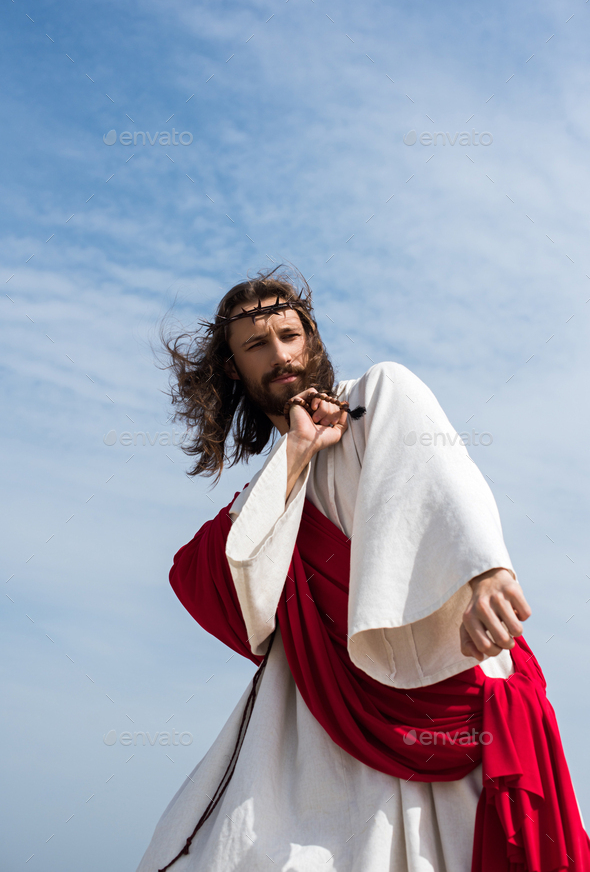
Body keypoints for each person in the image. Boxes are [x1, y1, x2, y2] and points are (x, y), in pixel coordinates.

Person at [136, 265, 589, 872]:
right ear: (232, 368)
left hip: (445, 687)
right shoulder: (264, 494)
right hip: (324, 722)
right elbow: (236, 597)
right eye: (257, 345)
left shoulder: (369, 403)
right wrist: (294, 458)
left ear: (312, 340)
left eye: (290, 336)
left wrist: (482, 571)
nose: (279, 353)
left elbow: (434, 470)